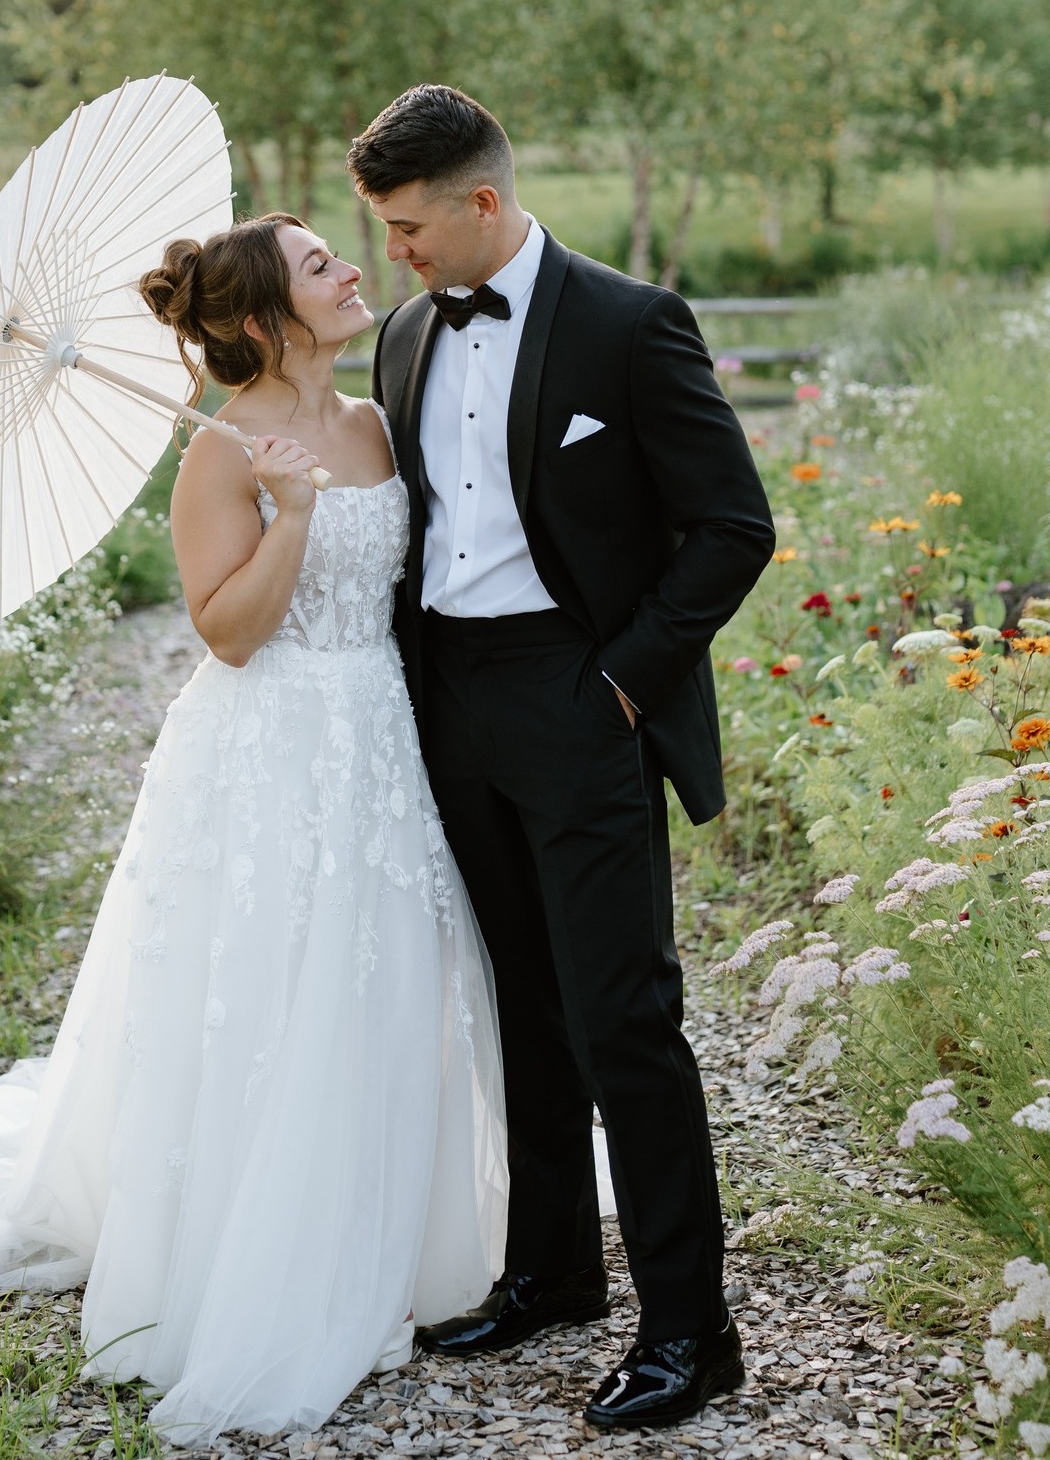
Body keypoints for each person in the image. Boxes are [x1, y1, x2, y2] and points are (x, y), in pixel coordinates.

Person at [0, 212, 507, 1447]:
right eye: (319, 261)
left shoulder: (376, 421)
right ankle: (249, 1246)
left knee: (381, 972)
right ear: (269, 316)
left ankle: (382, 1221)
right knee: (268, 984)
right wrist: (287, 517)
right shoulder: (221, 455)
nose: (346, 267)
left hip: (375, 736)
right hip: (267, 742)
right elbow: (229, 632)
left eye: (338, 250)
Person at [351, 85, 776, 1431]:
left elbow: (731, 526)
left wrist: (620, 686)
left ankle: (692, 1329)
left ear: (483, 201)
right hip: (452, 702)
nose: (396, 256)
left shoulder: (629, 323)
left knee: (622, 1017)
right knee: (516, 1002)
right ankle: (549, 1271)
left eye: (411, 227)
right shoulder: (405, 336)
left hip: (578, 696)